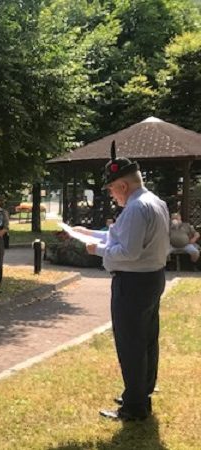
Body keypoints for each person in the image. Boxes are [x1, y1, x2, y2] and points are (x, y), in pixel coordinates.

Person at [79, 143, 170, 421]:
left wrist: (96, 249)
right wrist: (90, 233)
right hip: (152, 278)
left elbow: (128, 252)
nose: (111, 194)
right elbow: (121, 237)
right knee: (146, 339)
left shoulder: (135, 208)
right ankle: (140, 392)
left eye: (111, 189)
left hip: (133, 283)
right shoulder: (155, 202)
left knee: (130, 342)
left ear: (122, 186)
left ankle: (134, 405)